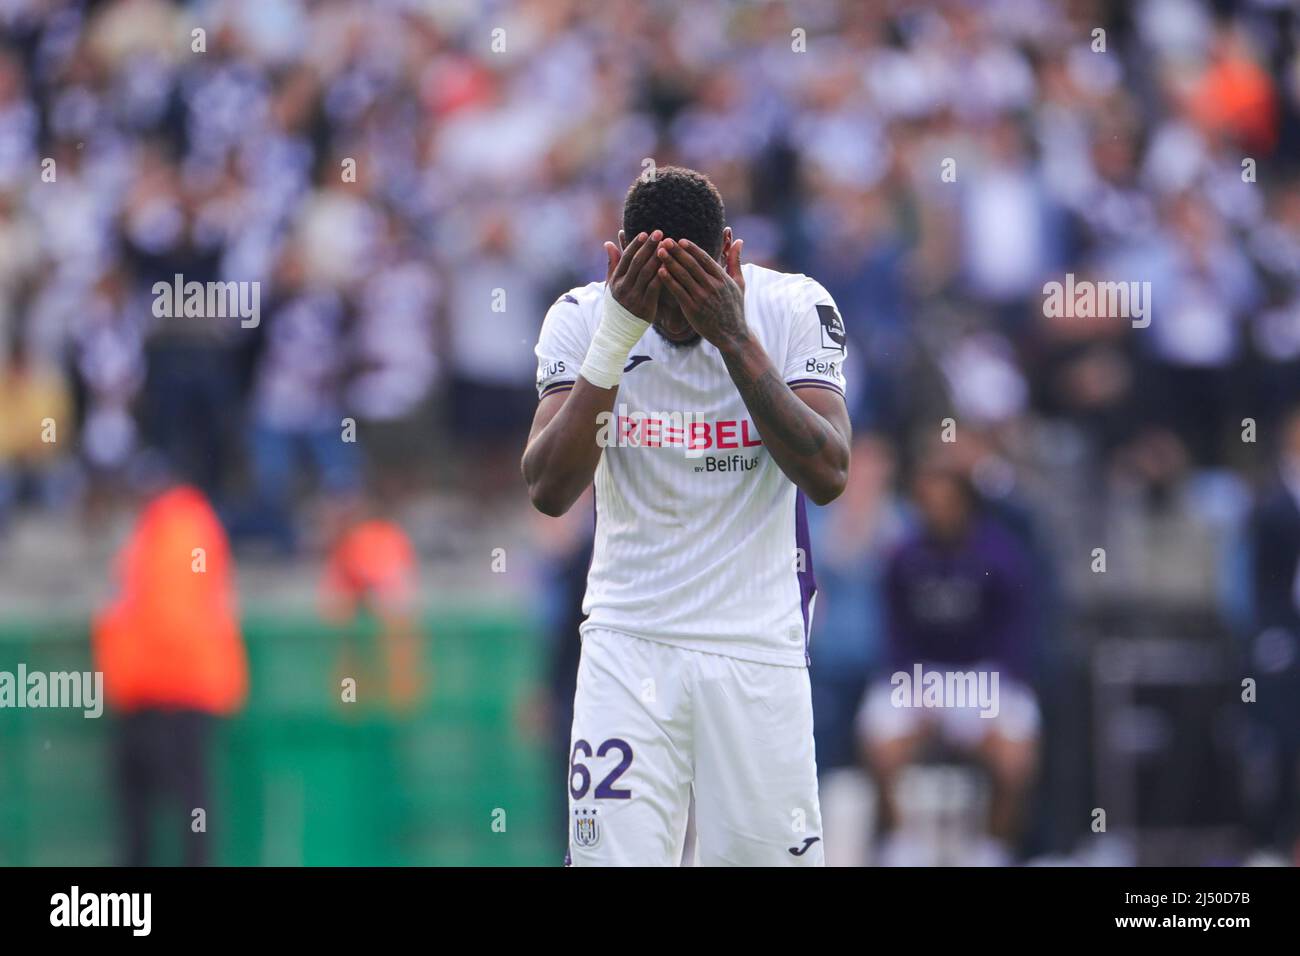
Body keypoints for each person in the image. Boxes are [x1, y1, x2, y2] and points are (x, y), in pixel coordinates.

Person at [522, 167, 851, 866]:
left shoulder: (791, 308)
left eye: (690, 292)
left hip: (755, 648)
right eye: (657, 299)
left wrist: (733, 339)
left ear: (729, 257)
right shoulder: (584, 318)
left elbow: (829, 473)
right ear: (620, 263)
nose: (673, 319)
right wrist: (615, 338)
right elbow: (549, 488)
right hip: (626, 642)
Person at [859, 457, 1038, 866]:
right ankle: (902, 845)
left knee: (1013, 756)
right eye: (927, 501)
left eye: (945, 500)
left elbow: (1016, 641)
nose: (936, 510)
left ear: (965, 502)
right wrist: (918, 696)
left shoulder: (1003, 558)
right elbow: (894, 639)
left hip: (985, 676)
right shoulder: (902, 557)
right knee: (881, 740)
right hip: (920, 674)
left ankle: (993, 849)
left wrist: (986, 710)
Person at [92, 481, 248, 866]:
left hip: (168, 689)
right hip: (169, 687)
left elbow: (168, 616)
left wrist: (134, 676)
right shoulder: (166, 530)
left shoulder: (174, 529)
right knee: (176, 795)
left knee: (176, 797)